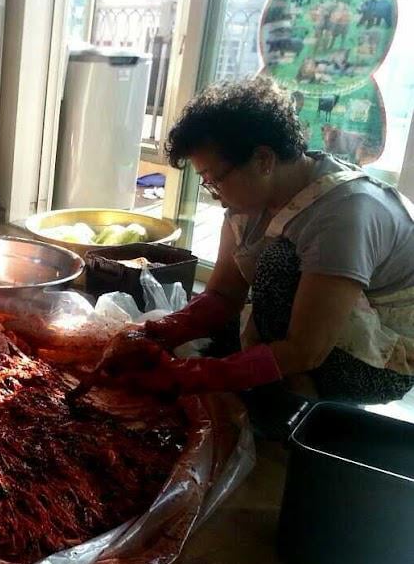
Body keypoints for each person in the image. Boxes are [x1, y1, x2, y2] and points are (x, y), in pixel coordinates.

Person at [95, 78, 414, 404]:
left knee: (277, 263)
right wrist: (155, 334)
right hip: (318, 331)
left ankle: (300, 400)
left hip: (381, 362)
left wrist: (182, 377)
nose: (214, 194)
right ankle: (270, 380)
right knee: (217, 334)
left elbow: (306, 350)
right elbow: (223, 295)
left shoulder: (341, 214)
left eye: (214, 180)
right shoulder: (252, 200)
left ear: (263, 160)